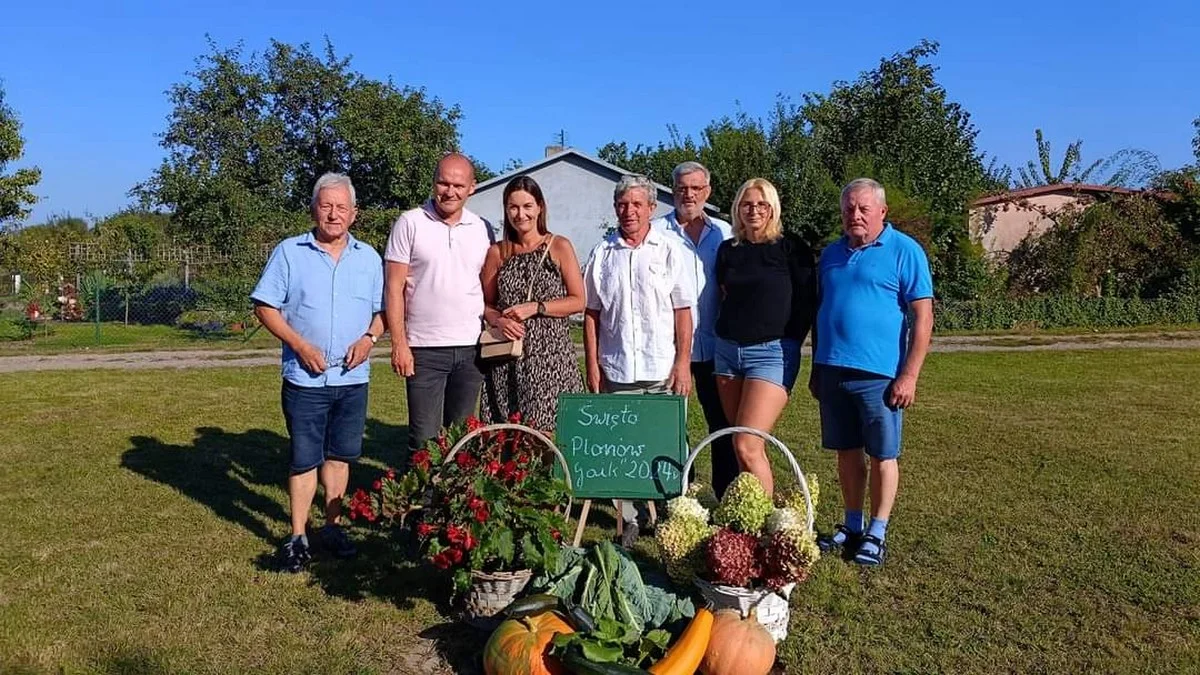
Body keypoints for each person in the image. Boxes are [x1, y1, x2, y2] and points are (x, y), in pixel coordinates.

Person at [251, 172, 384, 573]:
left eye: (341, 207)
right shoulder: (290, 252)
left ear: (354, 213)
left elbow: (383, 313)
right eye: (326, 206)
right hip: (305, 378)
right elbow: (265, 306)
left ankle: (332, 527)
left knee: (340, 456)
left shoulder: (369, 258)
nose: (333, 214)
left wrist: (369, 339)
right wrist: (299, 344)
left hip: (351, 378)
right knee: (304, 458)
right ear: (313, 209)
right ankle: (297, 537)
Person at [809, 177, 934, 567]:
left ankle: (877, 532)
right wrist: (816, 366)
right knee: (846, 453)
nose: (855, 215)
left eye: (863, 208)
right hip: (833, 370)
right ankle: (852, 524)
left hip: (879, 376)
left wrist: (909, 375)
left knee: (882, 454)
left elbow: (923, 317)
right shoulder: (830, 254)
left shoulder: (904, 251)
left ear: (882, 212)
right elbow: (820, 312)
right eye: (849, 208)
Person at [583, 174, 694, 546]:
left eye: (636, 204)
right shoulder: (602, 254)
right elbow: (592, 313)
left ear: (651, 208)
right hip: (616, 367)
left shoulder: (668, 249)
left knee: (664, 445)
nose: (628, 211)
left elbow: (682, 310)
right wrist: (592, 364)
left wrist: (683, 363)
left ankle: (668, 516)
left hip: (661, 367)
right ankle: (629, 518)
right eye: (622, 204)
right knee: (622, 447)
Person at [384, 153, 493, 462]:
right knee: (423, 441)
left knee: (461, 440)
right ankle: (421, 508)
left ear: (472, 187)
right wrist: (399, 343)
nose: (450, 191)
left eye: (458, 185)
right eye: (443, 183)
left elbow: (487, 287)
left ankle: (453, 509)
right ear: (434, 184)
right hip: (424, 349)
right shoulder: (410, 222)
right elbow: (393, 288)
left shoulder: (482, 228)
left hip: (472, 349)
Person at [713, 178, 816, 497]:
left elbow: (807, 302)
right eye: (747, 204)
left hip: (772, 354)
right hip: (728, 353)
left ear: (773, 209)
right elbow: (723, 294)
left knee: (746, 442)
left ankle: (763, 529)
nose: (754, 210)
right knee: (742, 443)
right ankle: (751, 517)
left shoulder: (791, 247)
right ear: (737, 209)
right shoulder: (727, 250)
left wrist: (788, 344)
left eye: (761, 204)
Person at [652, 162, 737, 498]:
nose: (689, 194)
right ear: (673, 192)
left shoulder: (725, 232)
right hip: (673, 350)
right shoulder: (657, 232)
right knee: (672, 427)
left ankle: (724, 492)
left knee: (723, 425)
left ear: (708, 191)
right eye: (682, 188)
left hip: (719, 346)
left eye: (696, 188)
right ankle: (675, 493)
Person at [479, 176, 586, 430]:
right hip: (507, 358)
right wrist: (498, 319)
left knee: (550, 432)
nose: (520, 214)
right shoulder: (498, 252)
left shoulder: (558, 246)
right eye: (513, 207)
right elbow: (483, 303)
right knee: (507, 434)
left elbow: (578, 300)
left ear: (539, 207)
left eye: (527, 206)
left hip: (550, 359)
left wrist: (536, 307)